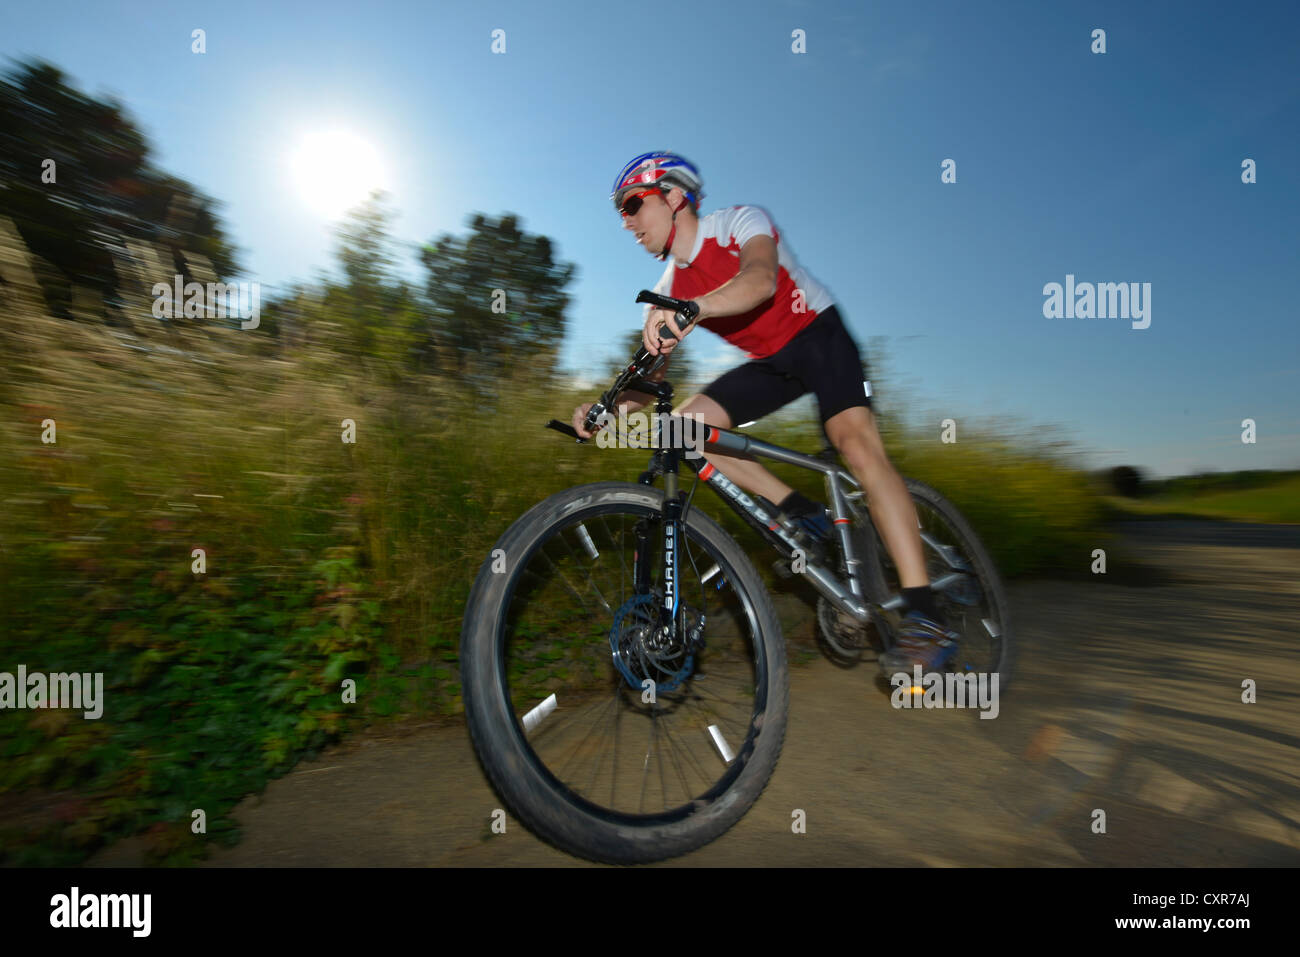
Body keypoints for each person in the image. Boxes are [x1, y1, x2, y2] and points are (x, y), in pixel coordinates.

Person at [572, 151, 958, 675]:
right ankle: (804, 512)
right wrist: (606, 409)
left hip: (819, 337)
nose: (627, 222)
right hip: (770, 362)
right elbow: (650, 380)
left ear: (675, 195)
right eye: (621, 212)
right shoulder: (663, 292)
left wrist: (696, 309)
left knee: (855, 443)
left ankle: (925, 613)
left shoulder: (736, 222)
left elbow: (760, 281)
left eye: (633, 204)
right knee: (683, 430)